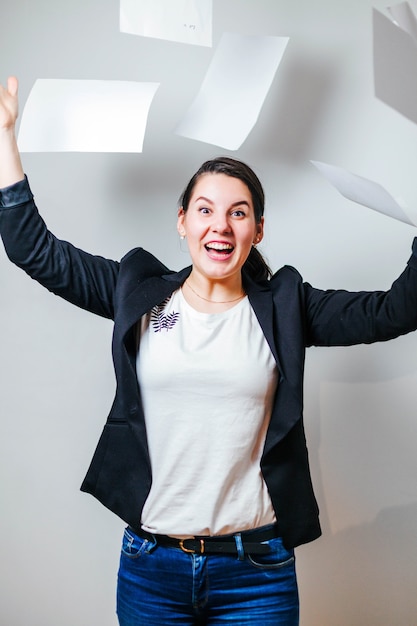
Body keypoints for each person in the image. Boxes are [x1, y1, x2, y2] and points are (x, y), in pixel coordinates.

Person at [1, 76, 417, 626]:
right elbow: (37, 251)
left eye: (238, 212)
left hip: (257, 574)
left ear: (258, 230)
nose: (220, 224)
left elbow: (394, 311)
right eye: (205, 209)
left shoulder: (286, 306)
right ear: (182, 222)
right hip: (152, 568)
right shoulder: (137, 293)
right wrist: (6, 137)